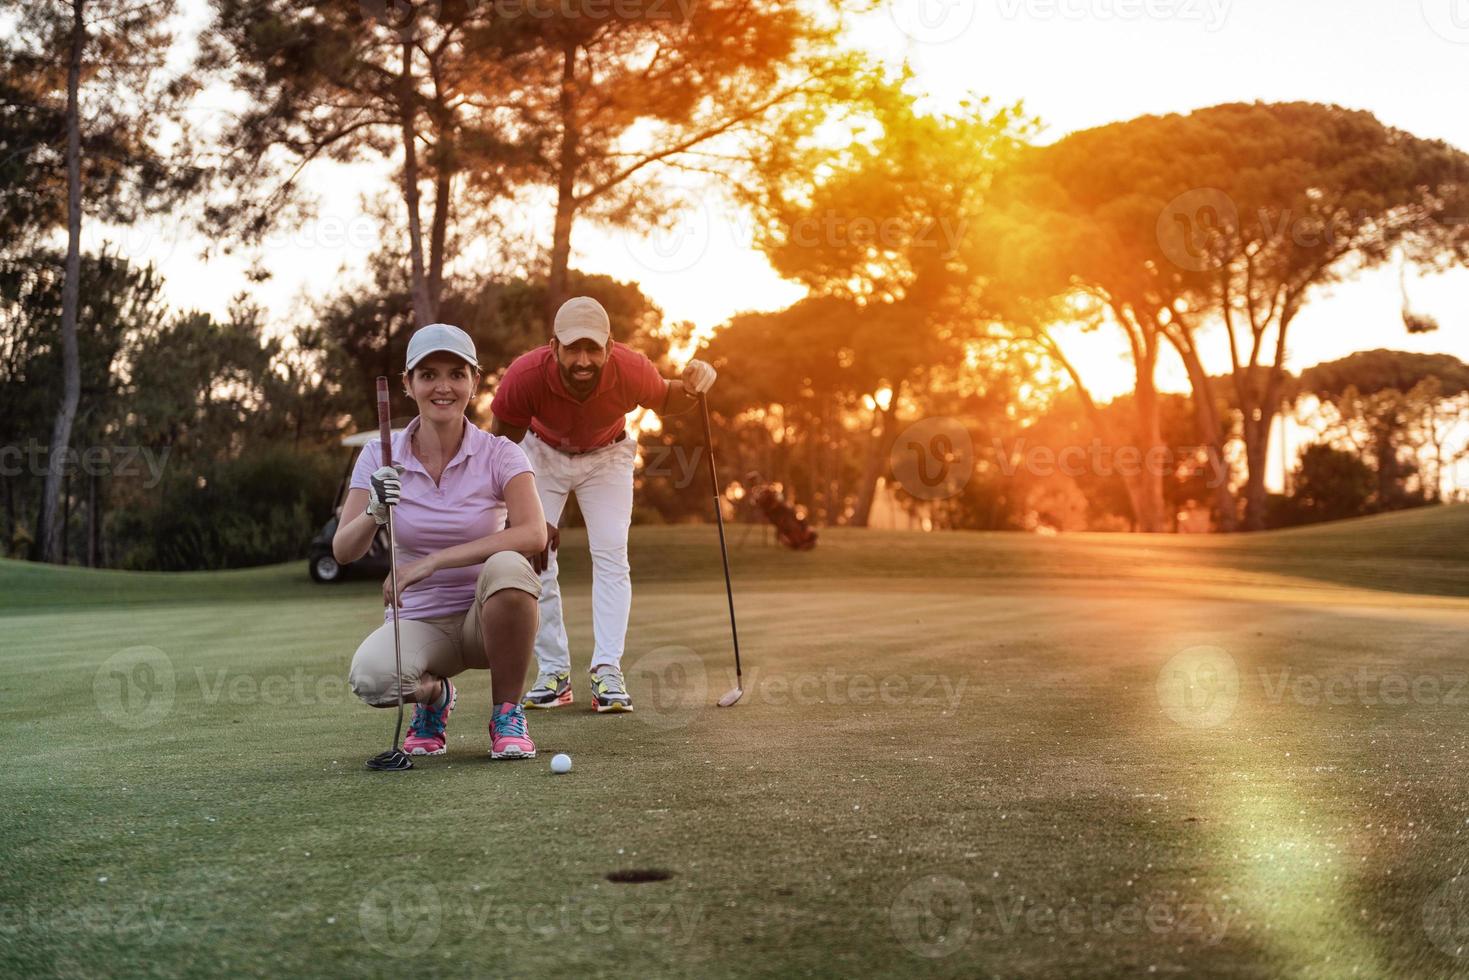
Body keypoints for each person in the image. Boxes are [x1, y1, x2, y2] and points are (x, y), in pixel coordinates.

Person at [489, 296, 717, 712]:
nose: (582, 360)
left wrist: (696, 382)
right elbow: (501, 446)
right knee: (533, 557)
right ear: (552, 346)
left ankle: (607, 669)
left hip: (607, 456)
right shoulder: (524, 376)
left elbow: (670, 398)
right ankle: (554, 672)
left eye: (592, 349)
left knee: (611, 552)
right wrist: (524, 514)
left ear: (609, 347)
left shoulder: (631, 368)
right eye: (572, 348)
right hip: (540, 453)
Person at [336, 323, 549, 759]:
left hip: (485, 619)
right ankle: (434, 700)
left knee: (509, 566)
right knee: (372, 680)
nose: (443, 387)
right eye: (428, 374)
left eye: (456, 373)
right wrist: (373, 513)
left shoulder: (500, 453)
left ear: (474, 381)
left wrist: (433, 562)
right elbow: (343, 550)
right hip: (421, 624)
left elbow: (533, 533)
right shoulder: (379, 454)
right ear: (408, 384)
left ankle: (507, 713)